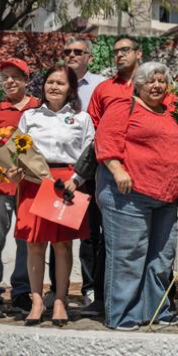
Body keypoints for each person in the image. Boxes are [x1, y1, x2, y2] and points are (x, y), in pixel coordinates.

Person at [94, 62, 178, 330]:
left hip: (165, 196)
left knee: (161, 259)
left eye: (161, 80)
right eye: (151, 81)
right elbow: (106, 141)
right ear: (139, 85)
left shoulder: (169, 113)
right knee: (128, 256)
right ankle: (122, 315)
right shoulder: (125, 106)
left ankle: (157, 310)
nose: (157, 85)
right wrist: (117, 169)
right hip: (128, 195)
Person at [14, 64, 95, 327]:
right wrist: (15, 168)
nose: (54, 87)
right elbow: (19, 149)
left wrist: (76, 180)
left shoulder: (82, 118)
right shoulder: (30, 116)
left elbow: (88, 153)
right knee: (34, 244)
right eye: (50, 82)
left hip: (66, 184)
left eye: (60, 83)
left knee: (62, 245)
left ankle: (60, 299)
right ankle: (37, 300)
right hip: (34, 182)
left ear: (71, 88)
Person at [0, 58, 41, 318]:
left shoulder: (38, 106)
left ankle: (21, 291)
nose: (10, 81)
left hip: (29, 186)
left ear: (26, 80)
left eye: (16, 76)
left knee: (26, 239)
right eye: (6, 77)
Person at [62, 36, 105, 315]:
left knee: (92, 234)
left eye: (78, 52)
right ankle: (59, 290)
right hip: (63, 170)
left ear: (89, 56)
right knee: (60, 232)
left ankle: (91, 287)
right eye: (67, 51)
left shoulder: (101, 85)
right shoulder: (56, 81)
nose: (72, 55)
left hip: (95, 168)